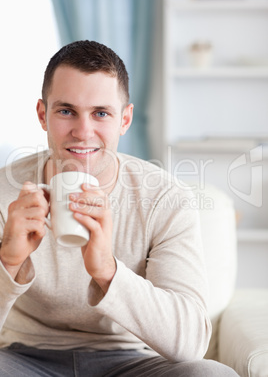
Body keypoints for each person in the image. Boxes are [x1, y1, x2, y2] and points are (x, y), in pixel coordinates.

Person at [0, 40, 238, 376]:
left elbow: (190, 343)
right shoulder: (5, 192)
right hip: (24, 359)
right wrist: (8, 263)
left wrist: (107, 271)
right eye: (66, 111)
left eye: (101, 113)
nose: (83, 132)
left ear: (125, 119)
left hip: (130, 362)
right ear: (43, 115)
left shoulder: (166, 199)